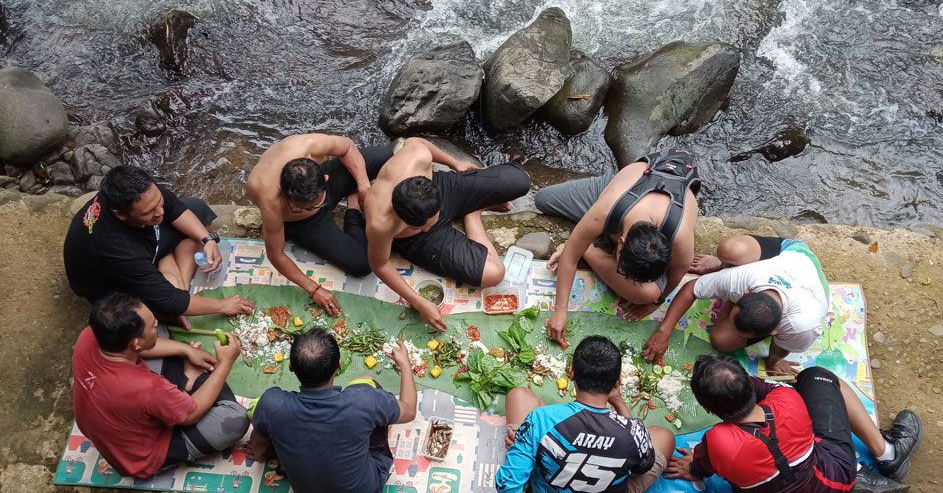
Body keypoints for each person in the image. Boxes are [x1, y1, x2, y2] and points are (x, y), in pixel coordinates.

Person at [666, 355, 923, 493]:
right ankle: (887, 454)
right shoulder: (787, 398)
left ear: (709, 409)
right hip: (834, 478)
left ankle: (867, 472)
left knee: (785, 460)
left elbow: (700, 465)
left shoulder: (717, 440)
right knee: (818, 376)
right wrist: (737, 383)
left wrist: (694, 468)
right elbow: (770, 387)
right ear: (749, 386)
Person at [495, 335, 676, 493]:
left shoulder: (540, 419)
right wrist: (619, 403)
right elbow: (643, 466)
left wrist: (524, 446)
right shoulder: (633, 431)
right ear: (617, 382)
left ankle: (531, 450)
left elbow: (507, 487)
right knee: (665, 436)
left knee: (519, 396)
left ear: (571, 373)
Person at [72, 293, 250, 479]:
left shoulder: (91, 335)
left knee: (162, 334)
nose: (156, 321)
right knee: (235, 418)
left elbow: (145, 346)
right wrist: (225, 363)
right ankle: (188, 384)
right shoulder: (146, 387)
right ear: (136, 344)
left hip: (122, 410)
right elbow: (191, 415)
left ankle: (185, 382)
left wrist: (187, 349)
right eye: (152, 324)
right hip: (142, 454)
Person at [537, 148, 700, 348]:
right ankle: (587, 245)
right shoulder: (606, 210)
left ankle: (586, 247)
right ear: (620, 243)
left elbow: (677, 273)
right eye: (623, 271)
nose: (627, 279)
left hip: (663, 196)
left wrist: (656, 302)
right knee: (542, 199)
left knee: (647, 294)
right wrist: (560, 311)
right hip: (620, 191)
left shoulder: (679, 236)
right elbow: (569, 257)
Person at [364, 137, 530, 331]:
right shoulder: (380, 223)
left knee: (521, 180)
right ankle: (472, 214)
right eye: (424, 225)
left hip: (443, 191)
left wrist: (455, 163)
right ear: (404, 221)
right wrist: (419, 302)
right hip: (418, 240)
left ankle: (464, 203)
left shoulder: (415, 158)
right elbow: (379, 263)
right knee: (495, 274)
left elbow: (416, 141)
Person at [244, 329, 417, 493]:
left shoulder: (271, 404)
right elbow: (409, 410)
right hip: (365, 489)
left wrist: (259, 453)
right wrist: (405, 364)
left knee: (256, 410)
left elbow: (258, 442)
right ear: (339, 365)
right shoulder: (364, 398)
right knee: (366, 380)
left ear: (291, 367)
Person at [64, 165, 256, 324]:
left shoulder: (142, 191)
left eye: (159, 202)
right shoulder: (113, 244)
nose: (160, 212)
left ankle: (174, 277)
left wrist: (207, 239)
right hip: (111, 283)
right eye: (150, 212)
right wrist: (222, 305)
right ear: (120, 214)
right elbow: (167, 301)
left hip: (142, 243)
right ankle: (169, 272)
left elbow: (174, 208)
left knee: (196, 209)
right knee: (150, 316)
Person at [247, 134, 393, 317]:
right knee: (363, 263)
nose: (316, 205)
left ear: (324, 177)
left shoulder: (304, 145)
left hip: (318, 185)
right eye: (303, 206)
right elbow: (276, 254)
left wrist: (364, 185)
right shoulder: (269, 198)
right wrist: (314, 289)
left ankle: (354, 191)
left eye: (317, 202)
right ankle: (353, 206)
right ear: (282, 191)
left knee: (385, 155)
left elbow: (347, 146)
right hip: (306, 223)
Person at [643, 235, 829, 375]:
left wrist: (774, 362)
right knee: (730, 250)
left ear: (774, 331)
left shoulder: (801, 327)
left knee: (721, 339)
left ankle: (725, 280)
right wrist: (663, 332)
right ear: (746, 293)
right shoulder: (745, 278)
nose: (727, 323)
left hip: (808, 279)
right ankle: (720, 265)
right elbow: (691, 288)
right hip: (789, 251)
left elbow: (781, 347)